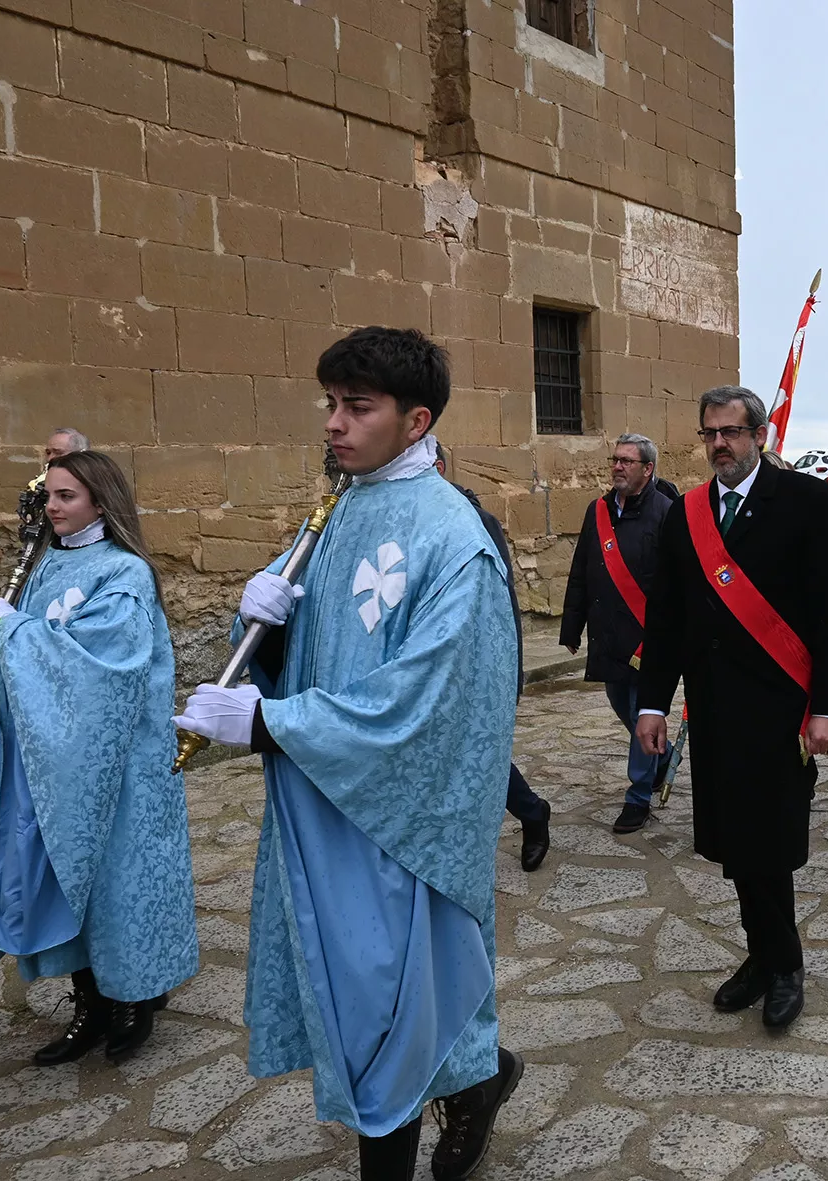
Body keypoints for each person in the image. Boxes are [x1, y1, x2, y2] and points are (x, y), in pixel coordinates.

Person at [173, 327, 521, 1181]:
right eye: (330, 403)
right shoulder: (335, 510)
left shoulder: (454, 541)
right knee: (369, 1007)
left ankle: (452, 1102)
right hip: (325, 803)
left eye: (357, 407)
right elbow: (316, 651)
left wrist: (270, 725)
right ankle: (479, 1081)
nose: (334, 424)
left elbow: (430, 702)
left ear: (416, 420)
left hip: (399, 822)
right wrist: (267, 635)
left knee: (386, 1013)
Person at [0, 450, 196, 1068]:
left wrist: (14, 635)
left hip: (122, 766)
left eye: (66, 496)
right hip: (57, 766)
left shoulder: (124, 575)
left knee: (116, 879)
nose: (51, 507)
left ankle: (135, 999)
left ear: (101, 502)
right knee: (65, 878)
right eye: (49, 496)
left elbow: (104, 669)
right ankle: (89, 1004)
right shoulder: (43, 569)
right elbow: (23, 673)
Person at [635, 386, 828, 1029]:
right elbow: (667, 615)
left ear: (760, 434)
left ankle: (783, 965)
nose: (718, 445)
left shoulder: (807, 501)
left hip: (783, 705)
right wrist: (652, 704)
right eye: (709, 434)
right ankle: (761, 957)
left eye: (730, 432)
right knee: (735, 839)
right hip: (715, 707)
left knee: (771, 839)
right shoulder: (688, 512)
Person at [436, 443, 552, 872]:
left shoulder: (473, 521)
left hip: (470, 663)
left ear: (438, 467)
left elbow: (498, 607)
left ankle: (531, 811)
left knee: (475, 753)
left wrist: (504, 674)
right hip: (421, 663)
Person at [559, 433, 674, 835]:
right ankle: (662, 752)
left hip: (648, 637)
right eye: (615, 459)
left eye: (627, 461)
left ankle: (638, 795)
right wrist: (571, 625)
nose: (617, 467)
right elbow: (581, 570)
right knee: (618, 701)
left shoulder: (666, 512)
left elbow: (676, 583)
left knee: (642, 708)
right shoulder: (598, 511)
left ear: (648, 468)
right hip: (607, 634)